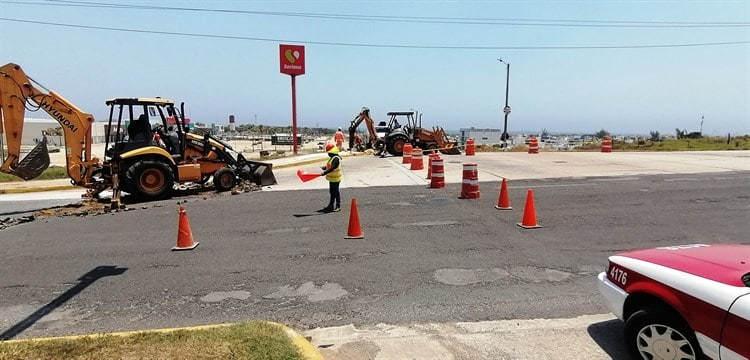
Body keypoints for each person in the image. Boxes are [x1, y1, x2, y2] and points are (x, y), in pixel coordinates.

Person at [318, 143, 342, 213]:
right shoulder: (332, 158)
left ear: (332, 152)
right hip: (332, 179)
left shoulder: (336, 159)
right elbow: (330, 166)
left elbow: (333, 167)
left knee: (335, 192)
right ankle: (331, 205)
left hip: (336, 179)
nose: (328, 154)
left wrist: (325, 172)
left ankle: (338, 206)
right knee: (332, 192)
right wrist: (325, 168)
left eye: (329, 152)